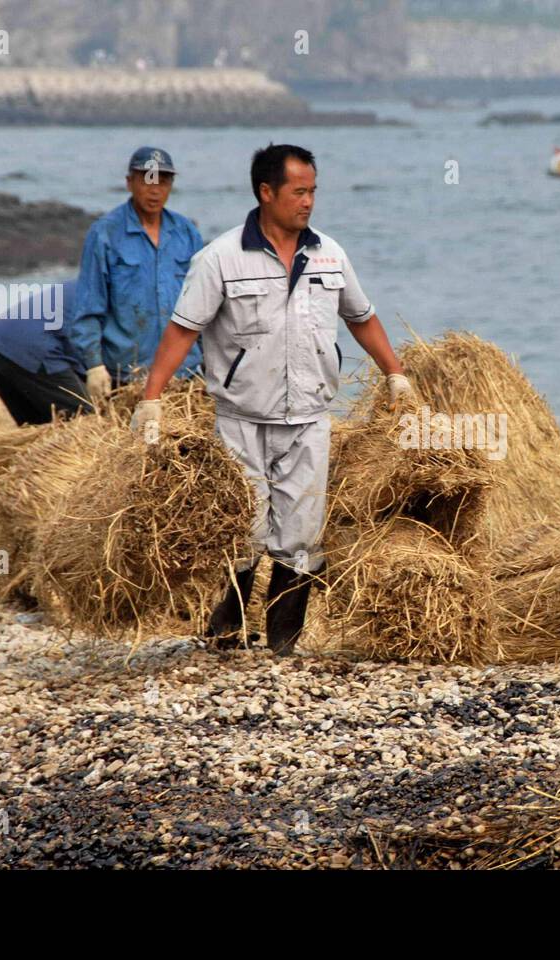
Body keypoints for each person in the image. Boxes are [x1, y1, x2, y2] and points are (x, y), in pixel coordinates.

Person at [131, 143, 414, 657]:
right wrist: (151, 400)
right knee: (244, 529)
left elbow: (361, 317)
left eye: (313, 191)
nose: (308, 202)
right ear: (266, 192)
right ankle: (230, 630)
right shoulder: (219, 259)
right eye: (298, 191)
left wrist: (395, 373)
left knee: (301, 533)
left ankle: (284, 642)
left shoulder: (329, 254)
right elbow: (181, 331)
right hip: (241, 419)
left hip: (309, 418)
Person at [71, 146, 205, 403]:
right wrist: (93, 365)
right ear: (129, 182)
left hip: (182, 375)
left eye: (162, 181)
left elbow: (204, 304)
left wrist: (213, 363)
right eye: (146, 179)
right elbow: (88, 307)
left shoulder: (187, 233)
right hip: (125, 376)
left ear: (171, 185)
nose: (155, 190)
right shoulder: (105, 234)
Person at [0, 281, 94, 425]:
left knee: (37, 429)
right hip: (32, 349)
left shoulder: (87, 283)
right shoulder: (115, 297)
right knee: (86, 422)